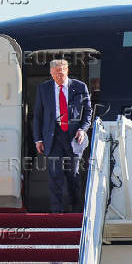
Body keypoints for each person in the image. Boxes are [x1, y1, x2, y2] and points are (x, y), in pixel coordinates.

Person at [33, 59, 92, 213]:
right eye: (56, 73)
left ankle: (76, 210)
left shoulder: (80, 87)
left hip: (73, 137)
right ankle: (56, 213)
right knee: (55, 176)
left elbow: (88, 112)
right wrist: (38, 139)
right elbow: (38, 115)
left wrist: (83, 129)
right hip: (53, 137)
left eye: (62, 73)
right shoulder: (43, 88)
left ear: (67, 71)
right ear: (51, 73)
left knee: (73, 175)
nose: (59, 76)